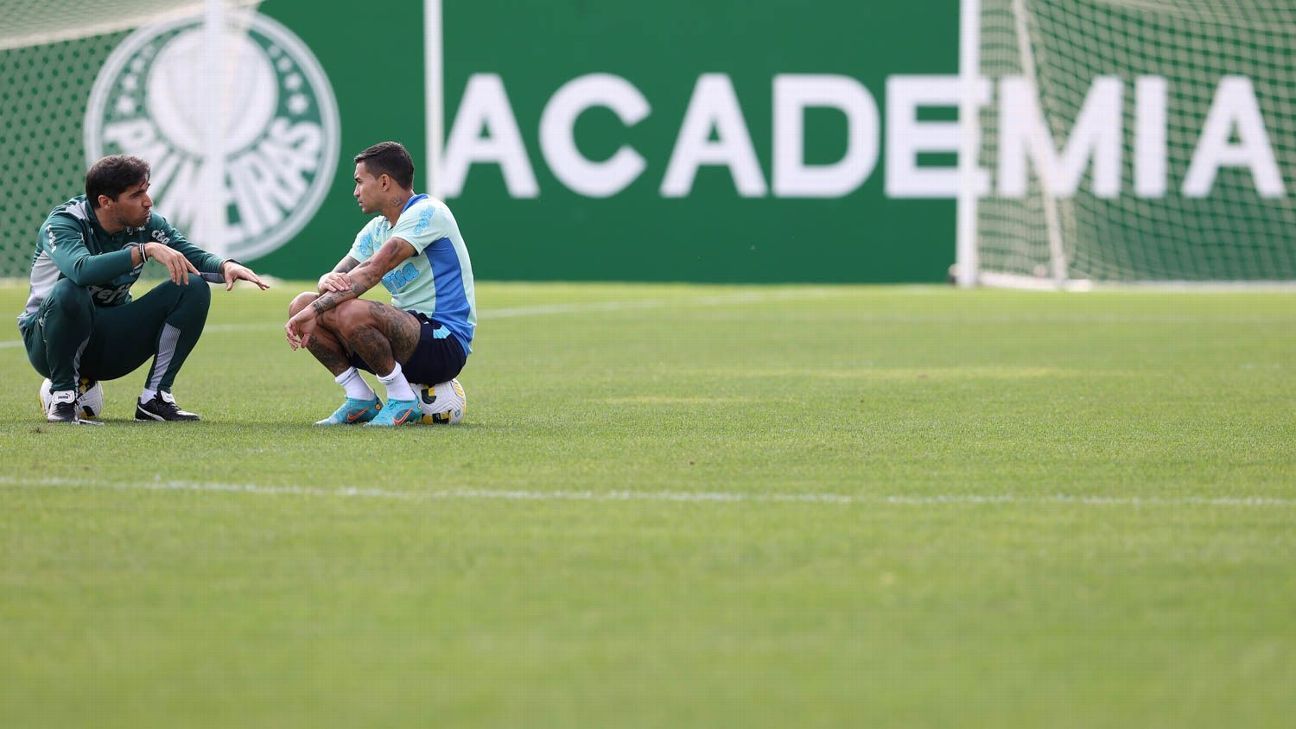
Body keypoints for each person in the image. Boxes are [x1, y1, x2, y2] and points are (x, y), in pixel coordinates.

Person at [18, 154, 269, 424]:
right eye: (136, 194)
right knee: (69, 290)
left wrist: (224, 266)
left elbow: (190, 256)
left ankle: (155, 398)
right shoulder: (63, 224)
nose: (147, 201)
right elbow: (82, 270)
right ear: (106, 201)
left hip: (109, 342)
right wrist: (144, 251)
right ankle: (63, 398)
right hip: (46, 342)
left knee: (192, 287)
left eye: (146, 191)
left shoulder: (147, 223)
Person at [285, 141, 476, 427]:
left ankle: (401, 399)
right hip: (405, 336)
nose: (355, 191)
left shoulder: (428, 213)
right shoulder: (376, 229)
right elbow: (337, 278)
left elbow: (372, 272)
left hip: (444, 340)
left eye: (360, 182)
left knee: (344, 311)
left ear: (384, 182)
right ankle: (360, 397)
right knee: (302, 302)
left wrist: (314, 312)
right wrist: (323, 283)